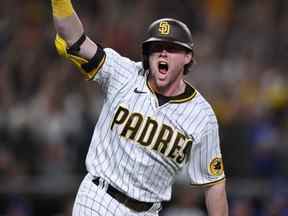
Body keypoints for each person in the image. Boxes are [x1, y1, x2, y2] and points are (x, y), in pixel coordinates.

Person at [50, 0, 229, 215]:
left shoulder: (202, 115)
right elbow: (75, 39)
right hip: (98, 196)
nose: (162, 54)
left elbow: (214, 184)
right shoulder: (123, 73)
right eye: (156, 48)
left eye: (171, 49)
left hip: (147, 211)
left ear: (187, 57)